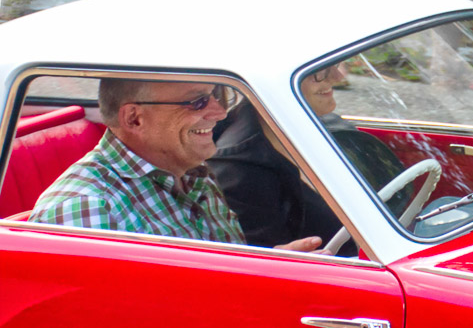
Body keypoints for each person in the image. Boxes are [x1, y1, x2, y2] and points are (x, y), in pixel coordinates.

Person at [29, 77, 321, 253]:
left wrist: (273, 265)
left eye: (218, 96)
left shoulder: (190, 171)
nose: (219, 112)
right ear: (134, 119)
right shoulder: (86, 209)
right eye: (197, 102)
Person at [209, 64, 407, 251]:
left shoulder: (324, 124)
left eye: (333, 65)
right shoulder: (240, 166)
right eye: (317, 72)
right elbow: (268, 264)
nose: (338, 77)